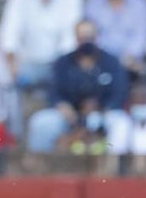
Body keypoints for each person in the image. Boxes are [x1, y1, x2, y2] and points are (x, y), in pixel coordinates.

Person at [26, 19, 128, 152]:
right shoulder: (63, 63)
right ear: (76, 38)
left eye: (90, 37)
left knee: (121, 123)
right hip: (70, 116)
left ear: (97, 38)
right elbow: (54, 93)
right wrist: (63, 107)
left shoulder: (111, 62)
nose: (87, 42)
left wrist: (103, 109)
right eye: (83, 38)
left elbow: (119, 93)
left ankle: (116, 169)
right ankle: (40, 168)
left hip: (103, 114)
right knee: (42, 122)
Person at [0, 0, 81, 93]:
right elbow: (10, 35)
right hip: (28, 62)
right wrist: (13, 65)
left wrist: (62, 65)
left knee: (72, 73)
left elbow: (70, 38)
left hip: (58, 62)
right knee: (6, 77)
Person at [83, 0, 146, 80]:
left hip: (131, 61)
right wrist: (109, 59)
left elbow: (140, 36)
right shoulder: (93, 4)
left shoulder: (140, 4)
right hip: (101, 59)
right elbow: (92, 36)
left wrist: (129, 56)